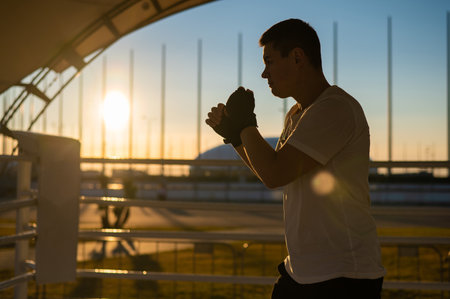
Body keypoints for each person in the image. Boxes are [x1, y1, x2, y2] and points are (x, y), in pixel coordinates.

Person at [205, 19, 385, 299]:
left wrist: (245, 123)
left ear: (298, 57)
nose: (264, 74)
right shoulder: (298, 114)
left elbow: (276, 174)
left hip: (343, 276)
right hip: (304, 270)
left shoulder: (334, 108)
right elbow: (270, 172)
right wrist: (236, 136)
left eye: (269, 61)